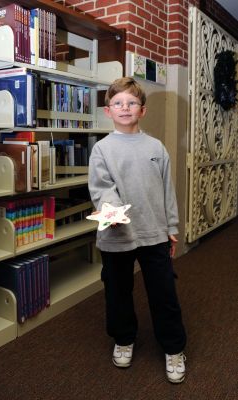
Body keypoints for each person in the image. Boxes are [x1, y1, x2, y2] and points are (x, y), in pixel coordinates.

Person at [88, 77, 187, 384]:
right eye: (118, 103)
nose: (125, 108)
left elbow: (166, 190)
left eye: (131, 103)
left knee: (164, 293)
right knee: (117, 292)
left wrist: (171, 227)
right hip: (116, 235)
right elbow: (101, 188)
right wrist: (115, 211)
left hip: (155, 233)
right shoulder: (102, 149)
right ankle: (123, 339)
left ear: (142, 110)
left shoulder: (156, 147)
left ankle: (174, 348)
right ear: (108, 111)